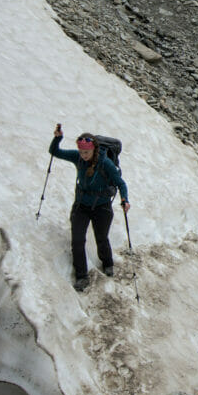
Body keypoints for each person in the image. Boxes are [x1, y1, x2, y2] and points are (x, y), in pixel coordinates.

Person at [50, 124, 130, 292]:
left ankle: (108, 263)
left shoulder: (105, 163)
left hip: (102, 207)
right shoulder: (78, 158)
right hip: (81, 206)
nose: (83, 155)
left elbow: (120, 183)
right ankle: (81, 276)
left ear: (93, 149)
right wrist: (58, 138)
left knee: (101, 238)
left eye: (86, 152)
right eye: (81, 152)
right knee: (77, 240)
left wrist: (125, 199)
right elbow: (55, 152)